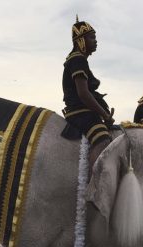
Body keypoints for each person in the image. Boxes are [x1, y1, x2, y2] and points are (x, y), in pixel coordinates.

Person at [62, 16, 114, 167]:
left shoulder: (76, 59)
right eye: (92, 37)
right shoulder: (78, 60)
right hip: (81, 113)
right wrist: (105, 115)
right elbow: (83, 94)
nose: (95, 41)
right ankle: (96, 185)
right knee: (104, 142)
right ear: (81, 40)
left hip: (83, 111)